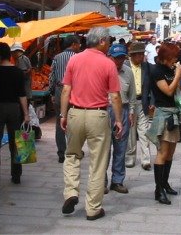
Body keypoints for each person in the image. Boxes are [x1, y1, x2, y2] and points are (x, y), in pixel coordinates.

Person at [60, 27, 123, 221]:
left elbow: (66, 90)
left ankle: (71, 192)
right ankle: (93, 208)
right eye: (109, 41)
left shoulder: (74, 59)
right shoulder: (108, 64)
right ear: (102, 41)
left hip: (75, 113)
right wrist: (119, 120)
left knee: (71, 155)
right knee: (98, 162)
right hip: (98, 115)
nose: (110, 44)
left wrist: (63, 114)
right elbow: (114, 96)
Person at [0, 42, 30, 189]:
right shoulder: (18, 72)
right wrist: (26, 114)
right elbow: (22, 95)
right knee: (16, 142)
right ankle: (16, 176)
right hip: (15, 109)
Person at [146, 42, 181, 205]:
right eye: (173, 57)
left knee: (171, 152)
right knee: (162, 152)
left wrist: (178, 76)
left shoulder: (171, 69)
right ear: (166, 57)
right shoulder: (157, 71)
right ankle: (158, 190)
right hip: (163, 114)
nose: (175, 60)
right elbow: (167, 91)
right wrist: (177, 76)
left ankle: (165, 183)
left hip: (174, 113)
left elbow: (176, 90)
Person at [105, 44, 135, 194]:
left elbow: (132, 95)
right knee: (104, 148)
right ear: (109, 57)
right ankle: (101, 181)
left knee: (121, 148)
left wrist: (131, 112)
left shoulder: (128, 72)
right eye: (117, 58)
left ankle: (117, 180)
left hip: (123, 110)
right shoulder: (103, 69)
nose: (119, 61)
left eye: (122, 57)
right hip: (105, 110)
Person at [49, 35, 81, 163]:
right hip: (75, 92)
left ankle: (61, 152)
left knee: (60, 122)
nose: (80, 46)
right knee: (75, 122)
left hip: (59, 91)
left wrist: (52, 93)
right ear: (73, 44)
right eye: (78, 44)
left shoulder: (57, 57)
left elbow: (51, 77)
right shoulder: (78, 58)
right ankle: (74, 150)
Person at [125, 41, 154, 170]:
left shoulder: (147, 67)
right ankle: (130, 158)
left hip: (143, 102)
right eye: (140, 55)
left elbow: (153, 86)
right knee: (131, 133)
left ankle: (146, 160)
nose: (142, 57)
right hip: (129, 104)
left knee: (144, 132)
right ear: (133, 55)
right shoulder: (125, 67)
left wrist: (152, 102)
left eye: (143, 54)